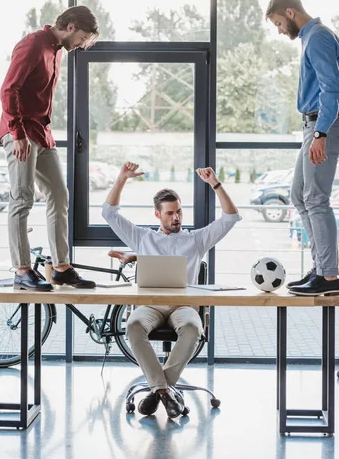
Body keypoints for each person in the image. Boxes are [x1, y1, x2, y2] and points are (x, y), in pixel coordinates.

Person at [102, 161, 241, 418]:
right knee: (133, 326)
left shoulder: (196, 239)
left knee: (193, 327)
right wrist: (121, 177)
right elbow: (109, 213)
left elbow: (230, 217)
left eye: (178, 212)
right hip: (150, 306)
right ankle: (165, 392)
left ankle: (157, 390)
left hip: (183, 307)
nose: (176, 217)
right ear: (158, 215)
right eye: (169, 213)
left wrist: (215, 184)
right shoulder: (142, 237)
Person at [0, 5, 99, 291]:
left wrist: (42, 134)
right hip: (20, 133)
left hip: (41, 134)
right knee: (22, 198)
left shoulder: (56, 51)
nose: (80, 44)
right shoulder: (33, 45)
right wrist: (17, 133)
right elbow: (8, 89)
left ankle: (62, 268)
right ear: (70, 26)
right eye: (81, 37)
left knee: (58, 193)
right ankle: (22, 270)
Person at [265, 0, 339, 296]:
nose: (279, 30)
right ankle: (320, 268)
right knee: (299, 196)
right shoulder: (311, 39)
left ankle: (328, 278)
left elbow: (333, 89)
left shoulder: (318, 38)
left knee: (316, 199)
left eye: (278, 23)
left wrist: (321, 134)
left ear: (290, 12)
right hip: (314, 125)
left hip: (323, 126)